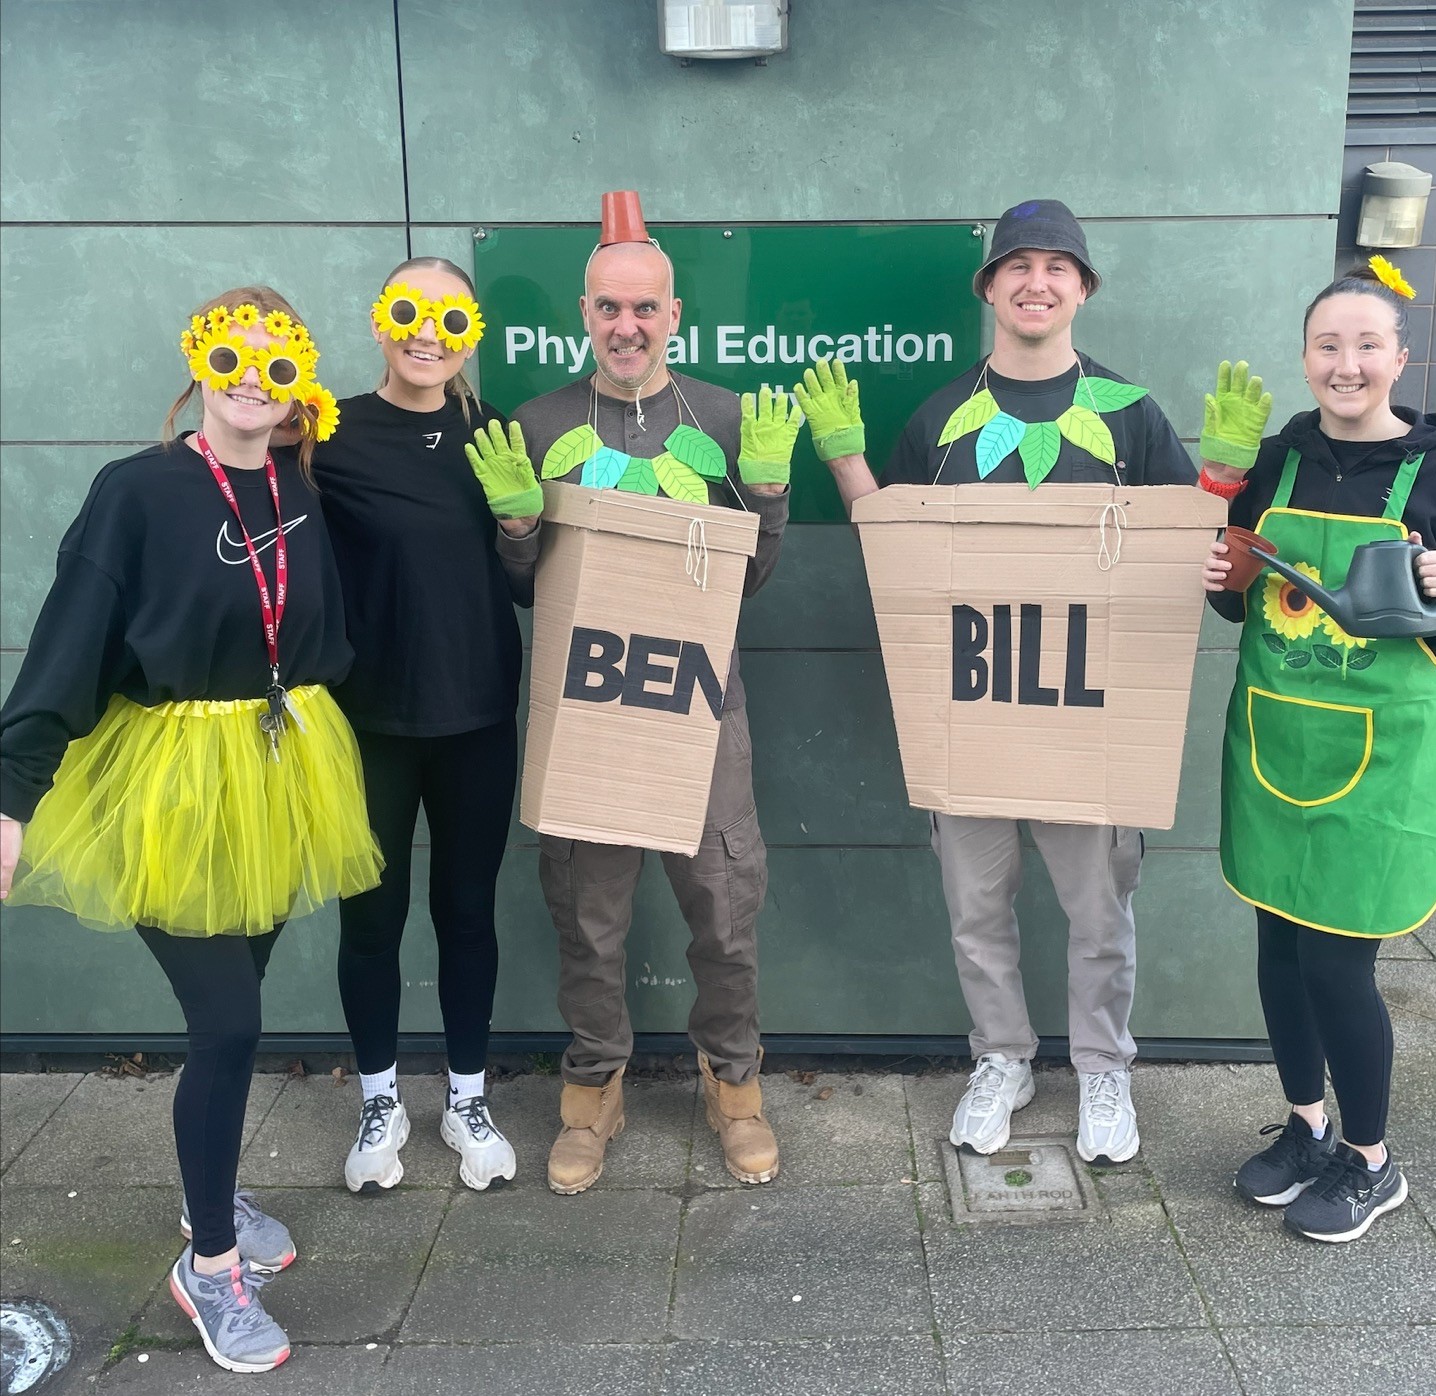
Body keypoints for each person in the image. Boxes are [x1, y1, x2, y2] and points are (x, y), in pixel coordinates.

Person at [0, 288, 381, 1372]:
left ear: (298, 377)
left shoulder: (301, 486)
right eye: (229, 351)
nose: (248, 373)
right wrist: (11, 794)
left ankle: (205, 1192)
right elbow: (67, 643)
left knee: (244, 997)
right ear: (199, 360)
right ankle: (209, 1267)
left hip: (277, 773)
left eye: (274, 357)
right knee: (227, 1024)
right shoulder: (137, 491)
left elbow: (321, 622)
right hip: (167, 786)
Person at [800, 199, 1194, 1163]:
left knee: (1100, 914)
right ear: (988, 288)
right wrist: (848, 463)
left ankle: (1104, 1068)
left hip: (1086, 714)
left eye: (1058, 266)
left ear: (1084, 289)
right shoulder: (940, 418)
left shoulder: (1132, 416)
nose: (1037, 281)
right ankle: (1004, 1058)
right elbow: (893, 555)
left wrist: (1219, 482)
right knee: (976, 912)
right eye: (1017, 265)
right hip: (969, 710)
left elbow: (1186, 551)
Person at [480, 190, 794, 1193]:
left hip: (706, 711)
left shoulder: (724, 417)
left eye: (645, 309)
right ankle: (592, 1088)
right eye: (609, 308)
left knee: (724, 903)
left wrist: (771, 495)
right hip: (590, 712)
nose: (626, 326)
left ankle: (733, 1083)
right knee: (587, 912)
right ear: (584, 314)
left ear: (673, 316)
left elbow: (749, 580)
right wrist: (519, 529)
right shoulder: (536, 424)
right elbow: (521, 588)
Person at [1200, 257, 1435, 1242]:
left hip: (1374, 768)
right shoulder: (1274, 461)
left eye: (1363, 345)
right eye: (1326, 345)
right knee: (1277, 953)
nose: (1344, 364)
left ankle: (1368, 1161)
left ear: (1398, 356)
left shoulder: (1429, 474)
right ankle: (1304, 1125)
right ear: (1304, 357)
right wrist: (1218, 562)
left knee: (1339, 970)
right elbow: (1231, 601)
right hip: (1271, 750)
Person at [313, 258, 532, 1196]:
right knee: (371, 918)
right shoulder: (326, 434)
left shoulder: (496, 435)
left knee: (467, 913)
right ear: (382, 322)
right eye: (408, 312)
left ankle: (467, 1097)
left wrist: (524, 525)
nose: (426, 332)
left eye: (448, 316)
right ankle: (378, 1098)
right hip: (369, 723)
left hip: (478, 714)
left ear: (471, 330)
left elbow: (529, 582)